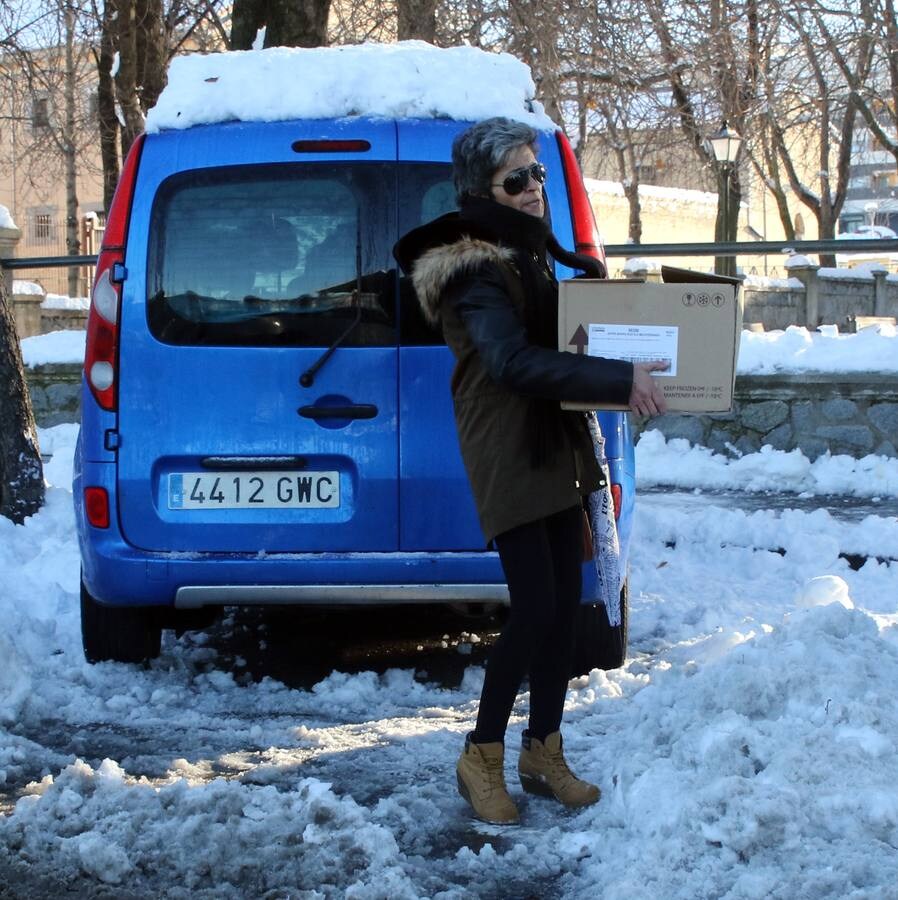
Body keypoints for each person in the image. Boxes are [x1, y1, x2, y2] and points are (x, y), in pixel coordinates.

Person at [394, 117, 667, 826]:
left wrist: (611, 322)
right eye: (516, 179)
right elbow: (511, 363)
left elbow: (556, 340)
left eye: (538, 175)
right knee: (535, 610)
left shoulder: (531, 256)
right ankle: (480, 755)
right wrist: (616, 376)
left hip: (554, 442)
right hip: (509, 451)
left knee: (564, 609)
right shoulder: (473, 268)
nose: (533, 189)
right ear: (481, 191)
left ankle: (543, 751)